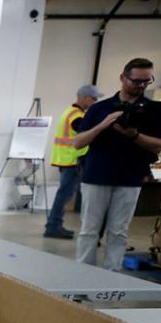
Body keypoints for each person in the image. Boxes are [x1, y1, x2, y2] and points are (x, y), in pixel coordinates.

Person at [70, 58, 161, 271]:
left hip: (129, 178)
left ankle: (112, 276)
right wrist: (103, 125)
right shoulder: (100, 109)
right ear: (123, 78)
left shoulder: (155, 110)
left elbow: (158, 145)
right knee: (89, 230)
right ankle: (81, 276)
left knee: (119, 231)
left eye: (146, 81)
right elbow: (78, 142)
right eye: (136, 80)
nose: (141, 85)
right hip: (97, 176)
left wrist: (134, 135)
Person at [44, 84, 100, 239]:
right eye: (93, 98)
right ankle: (53, 226)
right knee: (64, 195)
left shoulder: (72, 112)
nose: (95, 102)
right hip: (71, 161)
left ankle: (55, 224)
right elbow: (83, 131)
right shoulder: (76, 115)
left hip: (69, 160)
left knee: (64, 194)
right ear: (84, 97)